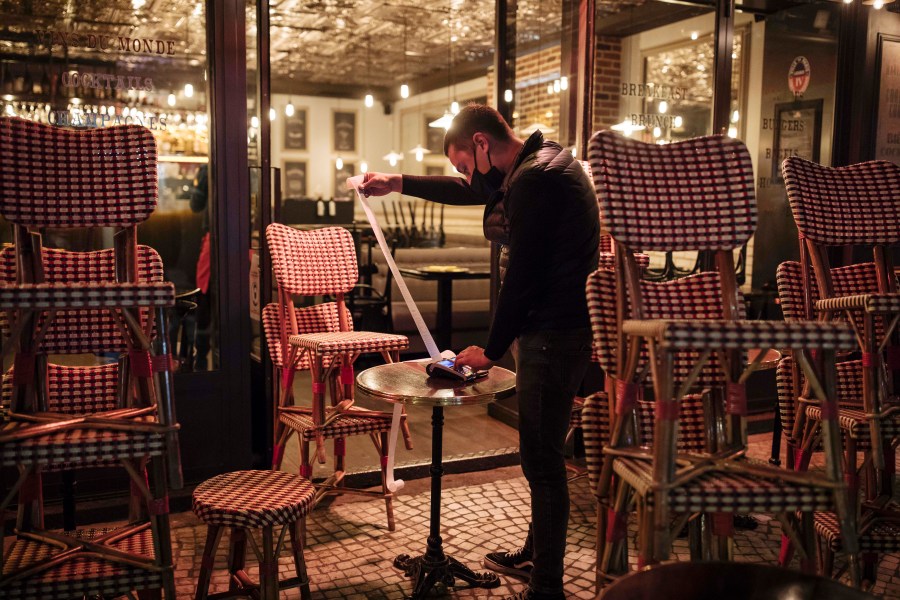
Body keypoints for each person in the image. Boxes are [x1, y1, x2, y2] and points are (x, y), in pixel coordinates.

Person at [361, 104, 599, 600]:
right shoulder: (540, 162)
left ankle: (547, 588)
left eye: (466, 164)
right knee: (543, 455)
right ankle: (536, 555)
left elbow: (523, 278)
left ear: (482, 143)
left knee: (543, 461)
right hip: (562, 329)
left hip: (554, 334)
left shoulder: (535, 181)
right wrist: (396, 182)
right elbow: (468, 189)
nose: (468, 178)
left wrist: (490, 351)